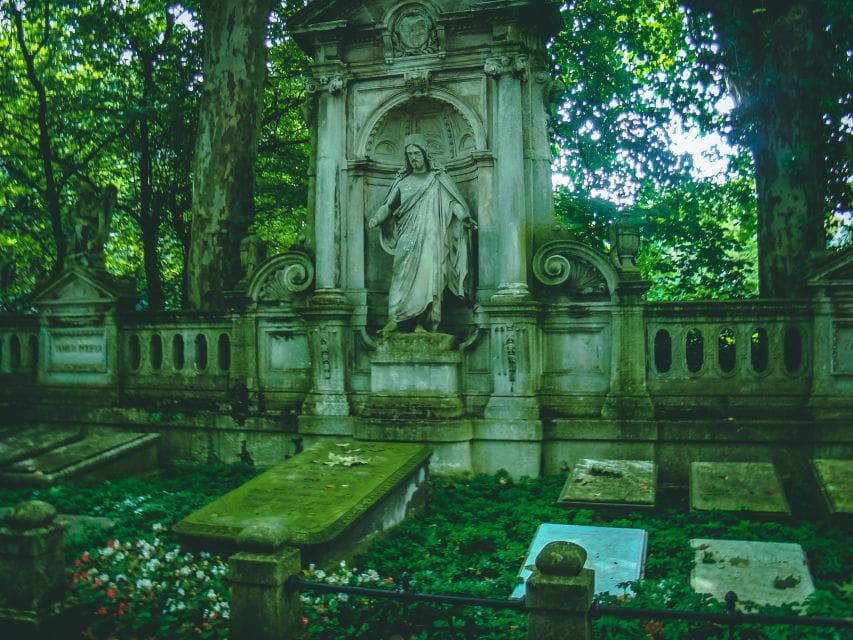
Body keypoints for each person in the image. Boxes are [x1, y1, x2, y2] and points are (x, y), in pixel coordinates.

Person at [368, 134, 475, 336]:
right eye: (409, 154)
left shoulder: (436, 179)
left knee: (429, 278)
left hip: (432, 238)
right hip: (408, 238)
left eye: (416, 153)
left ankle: (423, 324)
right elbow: (388, 206)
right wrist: (376, 219)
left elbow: (452, 203)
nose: (413, 158)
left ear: (425, 153)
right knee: (400, 275)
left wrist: (463, 217)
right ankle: (394, 320)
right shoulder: (402, 182)